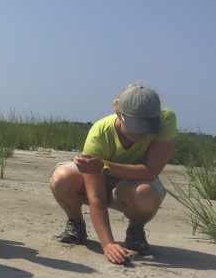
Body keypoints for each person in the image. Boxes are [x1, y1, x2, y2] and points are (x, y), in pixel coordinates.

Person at [49, 83, 177, 265]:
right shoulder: (100, 133)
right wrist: (107, 243)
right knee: (61, 179)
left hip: (133, 182)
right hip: (98, 179)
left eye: (148, 126)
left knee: (146, 194)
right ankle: (76, 223)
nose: (143, 133)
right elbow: (96, 198)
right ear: (119, 114)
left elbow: (151, 171)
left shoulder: (166, 119)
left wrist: (104, 166)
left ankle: (136, 230)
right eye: (136, 126)